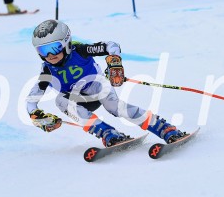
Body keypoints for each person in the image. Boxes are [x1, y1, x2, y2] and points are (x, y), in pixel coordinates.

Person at [25, 19, 186, 147]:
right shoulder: (47, 70)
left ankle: (163, 128)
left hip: (97, 87)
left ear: (66, 43)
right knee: (60, 100)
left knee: (114, 107)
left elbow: (111, 46)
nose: (49, 55)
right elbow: (32, 100)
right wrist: (36, 115)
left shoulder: (80, 50)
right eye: (42, 51)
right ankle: (108, 133)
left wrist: (114, 61)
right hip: (78, 100)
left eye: (54, 48)